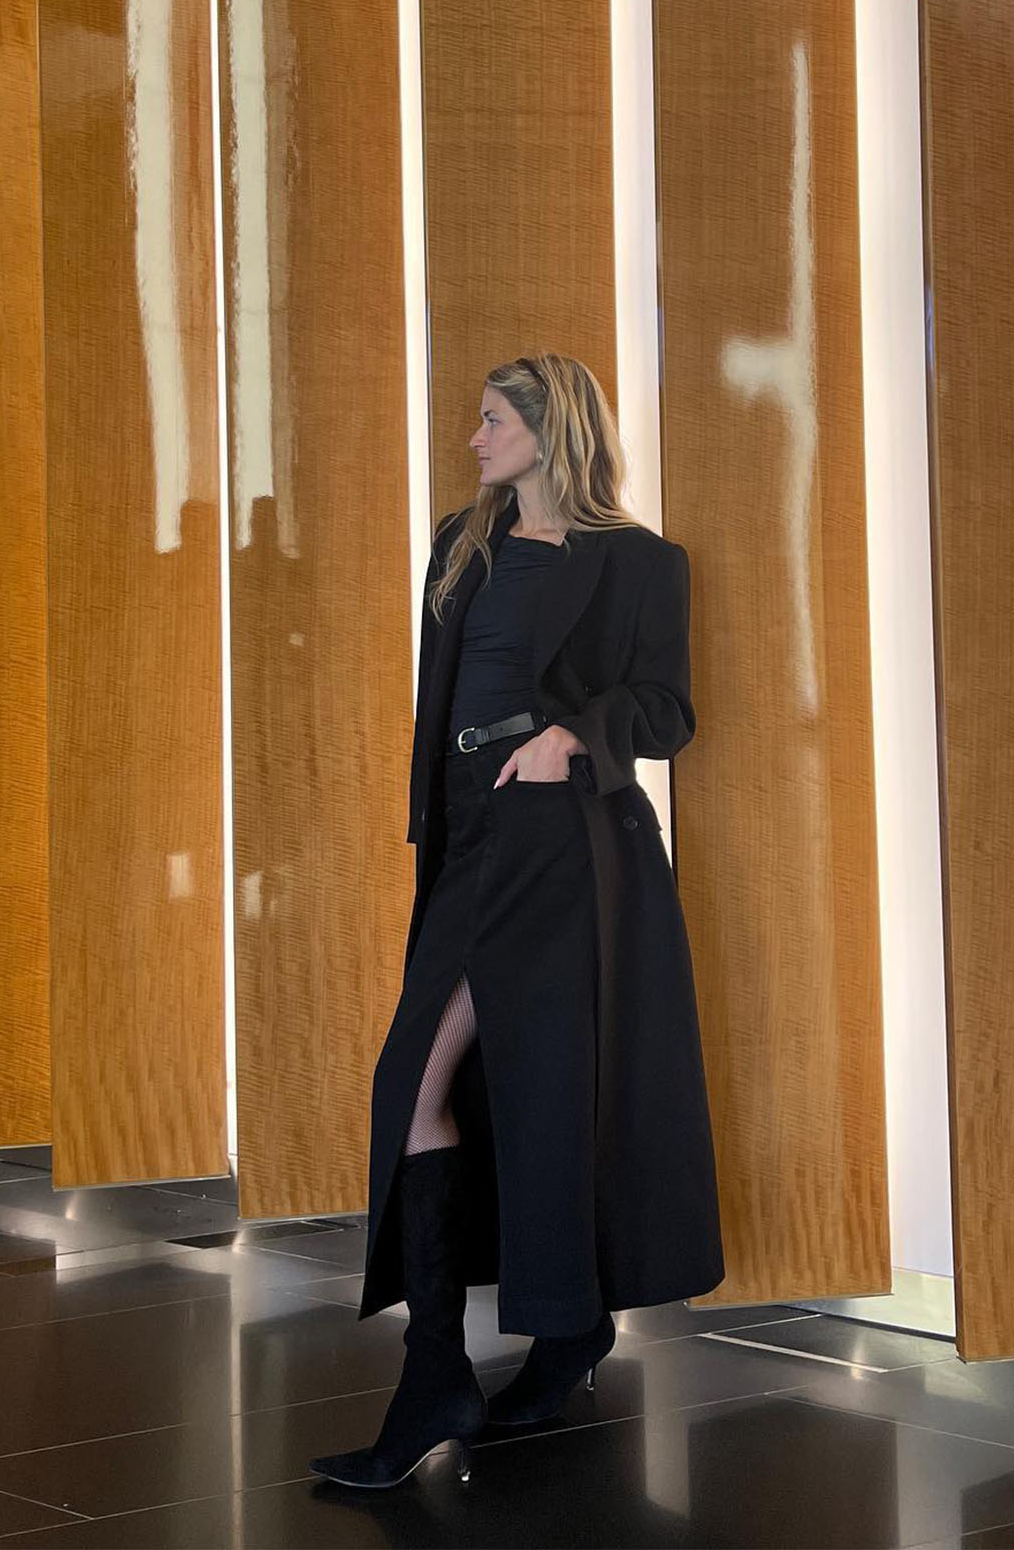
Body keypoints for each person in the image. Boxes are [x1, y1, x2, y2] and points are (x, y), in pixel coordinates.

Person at [309, 352, 724, 1489]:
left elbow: (668, 710)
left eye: (492, 420)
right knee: (428, 1087)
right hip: (469, 842)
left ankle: (465, 1364)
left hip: (563, 848)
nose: (476, 438)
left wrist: (570, 738)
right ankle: (486, 1357)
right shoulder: (464, 543)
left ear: (550, 430)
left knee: (532, 1094)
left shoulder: (641, 562)